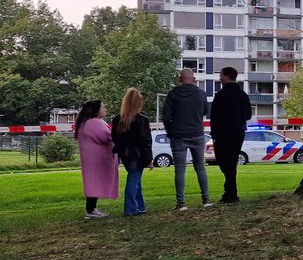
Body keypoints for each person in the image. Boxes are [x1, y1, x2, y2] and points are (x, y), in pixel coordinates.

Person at [163, 68, 211, 210]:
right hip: (196, 133)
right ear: (194, 79)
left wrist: (170, 131)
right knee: (200, 167)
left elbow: (166, 116)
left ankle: (181, 202)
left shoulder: (172, 94)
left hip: (178, 135)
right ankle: (206, 199)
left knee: (180, 169)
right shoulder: (200, 93)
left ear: (180, 79)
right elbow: (205, 111)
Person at [209, 66, 252, 203]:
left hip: (223, 134)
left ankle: (230, 192)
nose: (219, 78)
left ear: (227, 76)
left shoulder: (220, 96)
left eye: (221, 75)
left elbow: (214, 117)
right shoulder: (243, 95)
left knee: (224, 162)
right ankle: (230, 191)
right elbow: (248, 114)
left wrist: (214, 134)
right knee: (232, 162)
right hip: (238, 133)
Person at [111, 88, 153, 216]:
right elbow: (145, 141)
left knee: (135, 180)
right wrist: (148, 159)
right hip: (137, 154)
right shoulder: (141, 120)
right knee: (134, 180)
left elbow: (114, 138)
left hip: (125, 154)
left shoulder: (118, 119)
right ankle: (130, 208)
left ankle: (139, 206)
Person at [75, 100, 118, 219]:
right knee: (94, 183)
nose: (105, 110)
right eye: (103, 108)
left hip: (91, 159)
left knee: (93, 182)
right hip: (97, 160)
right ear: (96, 110)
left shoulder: (85, 122)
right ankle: (91, 210)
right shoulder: (93, 122)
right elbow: (105, 136)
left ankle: (92, 209)